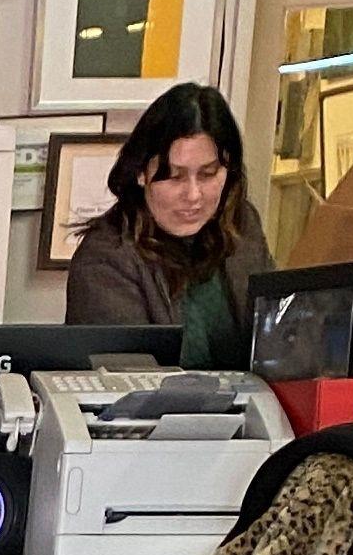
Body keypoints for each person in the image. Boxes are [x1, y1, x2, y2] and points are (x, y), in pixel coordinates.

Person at [64, 84, 272, 368]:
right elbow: (129, 384)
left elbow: (277, 340)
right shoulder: (104, 261)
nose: (193, 195)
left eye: (208, 174)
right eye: (175, 177)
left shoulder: (242, 224)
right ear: (141, 173)